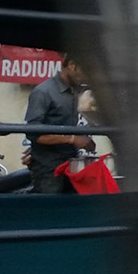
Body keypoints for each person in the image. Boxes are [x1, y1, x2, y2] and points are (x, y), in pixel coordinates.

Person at [24, 56, 94, 194]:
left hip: (71, 163)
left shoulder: (77, 90)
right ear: (72, 65)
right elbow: (33, 133)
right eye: (85, 71)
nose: (86, 76)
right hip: (48, 168)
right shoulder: (43, 92)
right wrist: (73, 139)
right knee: (50, 206)